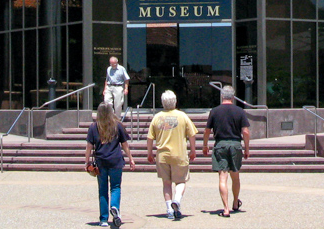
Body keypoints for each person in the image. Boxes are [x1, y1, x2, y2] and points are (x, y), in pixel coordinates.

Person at [147, 90, 197, 220]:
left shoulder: (157, 117)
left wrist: (149, 153)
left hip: (162, 155)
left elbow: (150, 138)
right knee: (181, 181)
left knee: (166, 183)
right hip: (179, 154)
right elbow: (192, 134)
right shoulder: (182, 116)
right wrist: (193, 150)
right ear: (175, 101)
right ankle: (177, 200)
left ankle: (169, 209)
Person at [203, 85, 250, 217]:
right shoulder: (240, 111)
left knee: (223, 178)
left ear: (222, 96)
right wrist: (246, 148)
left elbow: (207, 131)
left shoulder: (215, 111)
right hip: (235, 145)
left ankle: (226, 208)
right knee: (235, 177)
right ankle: (235, 202)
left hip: (220, 145)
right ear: (233, 97)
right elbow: (245, 132)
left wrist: (205, 145)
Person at [85, 102, 135, 227]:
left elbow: (89, 147)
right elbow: (124, 144)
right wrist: (130, 158)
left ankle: (103, 219)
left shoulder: (93, 127)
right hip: (116, 160)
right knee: (115, 187)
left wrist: (86, 162)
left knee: (102, 190)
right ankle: (115, 207)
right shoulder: (117, 125)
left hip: (101, 162)